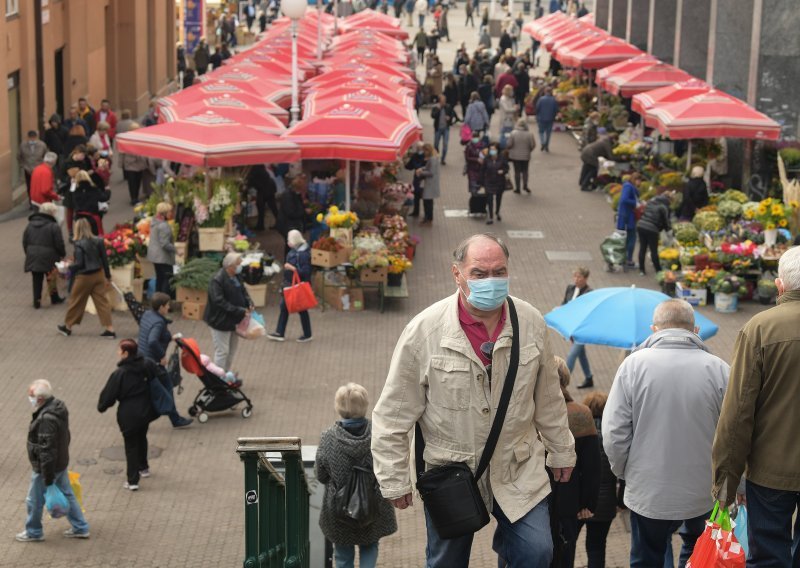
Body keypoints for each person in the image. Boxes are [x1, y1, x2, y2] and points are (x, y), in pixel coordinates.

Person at [371, 233, 576, 568]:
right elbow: (393, 414)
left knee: (537, 551)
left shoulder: (531, 322)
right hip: (452, 472)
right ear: (457, 274)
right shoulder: (424, 331)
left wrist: (562, 451)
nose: (491, 281)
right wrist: (394, 478)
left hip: (518, 467)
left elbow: (549, 399)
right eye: (480, 273)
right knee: (446, 562)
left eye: (499, 272)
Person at [602, 299, 729, 567]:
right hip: (703, 490)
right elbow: (732, 435)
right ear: (695, 330)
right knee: (701, 554)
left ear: (654, 329)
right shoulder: (719, 369)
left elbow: (614, 433)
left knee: (647, 557)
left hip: (649, 490)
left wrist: (625, 472)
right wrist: (732, 485)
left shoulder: (633, 367)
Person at [711, 246, 800, 566]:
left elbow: (737, 415)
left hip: (770, 472)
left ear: (780, 286)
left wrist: (725, 482)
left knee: (768, 556)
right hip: (770, 473)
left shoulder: (760, 329)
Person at [316, 383, 398, 568]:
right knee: (370, 545)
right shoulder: (378, 433)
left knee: (343, 554)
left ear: (339, 407)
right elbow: (388, 466)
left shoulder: (328, 438)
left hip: (340, 508)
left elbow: (320, 476)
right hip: (372, 504)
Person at [16, 379, 90, 542]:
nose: (30, 399)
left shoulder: (45, 420)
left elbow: (46, 451)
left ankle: (33, 532)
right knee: (67, 493)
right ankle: (80, 527)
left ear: (40, 399)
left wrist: (47, 478)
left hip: (46, 468)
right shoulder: (58, 407)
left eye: (31, 395)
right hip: (60, 462)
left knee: (34, 500)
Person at [553, 357, 601, 568]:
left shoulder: (522, 410)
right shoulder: (581, 413)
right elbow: (591, 466)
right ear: (565, 379)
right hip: (566, 501)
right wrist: (587, 503)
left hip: (526, 501)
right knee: (564, 555)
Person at [98, 339, 161, 491]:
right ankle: (143, 467)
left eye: (119, 350)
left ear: (126, 353)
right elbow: (159, 375)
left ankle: (132, 480)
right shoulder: (146, 364)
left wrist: (102, 406)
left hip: (129, 413)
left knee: (131, 445)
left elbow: (109, 395)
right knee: (142, 436)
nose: (117, 353)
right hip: (146, 409)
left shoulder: (120, 373)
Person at [138, 293, 194, 429]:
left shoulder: (148, 315)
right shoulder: (159, 322)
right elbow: (152, 341)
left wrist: (169, 337)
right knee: (167, 386)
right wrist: (162, 356)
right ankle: (174, 419)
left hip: (142, 357)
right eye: (167, 305)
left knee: (152, 389)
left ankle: (168, 418)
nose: (169, 307)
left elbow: (149, 334)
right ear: (161, 307)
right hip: (153, 362)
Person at [578, 392, 617, 568]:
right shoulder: (613, 437)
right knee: (597, 547)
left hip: (579, 501)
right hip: (605, 503)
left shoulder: (578, 435)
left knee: (567, 544)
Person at [58, 219, 115, 338]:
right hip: (98, 274)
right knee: (102, 302)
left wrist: (68, 267)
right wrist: (108, 276)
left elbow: (80, 264)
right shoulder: (98, 241)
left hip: (84, 277)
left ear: (77, 229)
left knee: (76, 300)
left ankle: (68, 326)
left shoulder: (78, 244)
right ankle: (110, 329)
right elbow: (104, 259)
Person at [204, 252, 253, 370]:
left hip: (234, 320)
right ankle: (218, 378)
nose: (240, 266)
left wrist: (249, 302)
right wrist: (239, 311)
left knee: (231, 351)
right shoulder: (217, 280)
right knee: (222, 351)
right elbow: (219, 302)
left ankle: (225, 374)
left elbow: (243, 290)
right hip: (220, 321)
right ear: (231, 266)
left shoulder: (237, 276)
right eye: (238, 264)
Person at [268, 230, 313, 342]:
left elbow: (306, 271)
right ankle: (281, 332)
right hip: (291, 285)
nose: (287, 242)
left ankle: (283, 332)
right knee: (288, 308)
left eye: (289, 240)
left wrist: (292, 268)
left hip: (295, 286)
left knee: (298, 309)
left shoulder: (302, 254)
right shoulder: (299, 250)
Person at [23, 202, 66, 309]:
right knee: (51, 277)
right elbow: (59, 243)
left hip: (33, 255)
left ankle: (36, 301)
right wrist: (62, 254)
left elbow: (25, 241)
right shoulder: (54, 226)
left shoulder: (30, 225)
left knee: (36, 279)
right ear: (51, 212)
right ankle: (54, 298)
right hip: (49, 257)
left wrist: (29, 253)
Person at [563, 266, 594, 389]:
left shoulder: (589, 293)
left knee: (572, 355)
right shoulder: (570, 288)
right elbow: (564, 304)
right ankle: (589, 378)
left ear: (586, 278)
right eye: (575, 276)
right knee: (581, 354)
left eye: (579, 277)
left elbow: (586, 312)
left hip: (583, 330)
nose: (576, 279)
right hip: (572, 328)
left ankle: (562, 384)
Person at [637, 190, 673, 276]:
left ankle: (642, 270)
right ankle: (658, 270)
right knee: (653, 250)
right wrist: (669, 230)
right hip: (652, 228)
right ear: (669, 199)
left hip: (641, 225)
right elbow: (666, 221)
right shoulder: (664, 207)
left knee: (643, 248)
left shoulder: (651, 201)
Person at [147, 202, 176, 296]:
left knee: (159, 278)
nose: (171, 214)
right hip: (163, 257)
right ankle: (163, 303)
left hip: (154, 257)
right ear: (164, 214)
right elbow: (165, 244)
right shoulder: (164, 226)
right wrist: (176, 250)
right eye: (169, 212)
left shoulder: (154, 222)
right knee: (167, 279)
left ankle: (157, 301)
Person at [72, 170, 110, 237]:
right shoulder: (93, 189)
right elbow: (104, 198)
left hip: (79, 218)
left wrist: (72, 184)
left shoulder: (75, 191)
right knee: (97, 237)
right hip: (92, 217)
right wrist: (107, 191)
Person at [616, 172, 640, 270]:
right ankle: (628, 260)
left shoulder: (628, 186)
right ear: (636, 180)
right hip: (627, 218)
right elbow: (623, 200)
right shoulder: (629, 187)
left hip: (626, 217)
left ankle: (624, 259)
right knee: (631, 238)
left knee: (627, 239)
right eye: (639, 181)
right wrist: (636, 203)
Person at [18, 130, 49, 206]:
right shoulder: (23, 145)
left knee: (39, 186)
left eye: (33, 138)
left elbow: (46, 155)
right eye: (30, 138)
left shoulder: (42, 145)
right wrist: (23, 165)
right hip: (28, 169)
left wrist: (44, 166)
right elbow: (19, 156)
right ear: (28, 137)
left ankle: (39, 201)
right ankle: (31, 202)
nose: (32, 139)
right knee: (30, 186)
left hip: (39, 169)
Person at [481, 142, 508, 225]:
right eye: (491, 149)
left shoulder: (502, 158)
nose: (492, 151)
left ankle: (497, 212)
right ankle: (491, 216)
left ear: (497, 150)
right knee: (489, 199)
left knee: (498, 199)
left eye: (494, 149)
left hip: (499, 181)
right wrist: (482, 182)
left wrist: (502, 171)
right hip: (489, 182)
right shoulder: (487, 159)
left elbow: (507, 168)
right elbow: (482, 170)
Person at [120, 124, 148, 205]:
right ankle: (133, 198)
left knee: (138, 180)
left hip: (139, 163)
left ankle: (136, 197)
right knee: (132, 182)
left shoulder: (141, 138)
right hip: (130, 163)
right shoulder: (126, 138)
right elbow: (121, 152)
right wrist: (121, 164)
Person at [506, 118, 535, 194]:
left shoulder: (513, 133)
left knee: (517, 171)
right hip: (526, 156)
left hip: (515, 156)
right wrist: (529, 150)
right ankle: (525, 185)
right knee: (525, 171)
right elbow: (532, 145)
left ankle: (517, 188)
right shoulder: (529, 134)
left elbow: (509, 144)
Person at [247, 164, 279, 231]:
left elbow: (251, 181)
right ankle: (261, 225)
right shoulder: (259, 166)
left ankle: (260, 226)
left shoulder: (254, 168)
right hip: (268, 188)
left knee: (262, 208)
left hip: (265, 189)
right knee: (271, 208)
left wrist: (246, 187)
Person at [416, 143, 440, 226]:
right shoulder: (433, 158)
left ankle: (428, 218)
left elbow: (431, 172)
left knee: (427, 202)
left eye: (424, 151)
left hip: (429, 184)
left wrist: (421, 172)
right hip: (430, 184)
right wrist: (422, 168)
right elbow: (428, 168)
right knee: (428, 201)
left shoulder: (432, 159)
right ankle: (428, 218)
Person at [431, 95, 456, 166]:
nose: (443, 102)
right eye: (442, 101)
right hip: (438, 128)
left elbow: (452, 115)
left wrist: (449, 119)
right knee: (436, 144)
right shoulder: (436, 107)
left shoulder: (448, 107)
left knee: (445, 144)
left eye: (444, 101)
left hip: (446, 129)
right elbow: (433, 116)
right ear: (439, 101)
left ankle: (443, 159)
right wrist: (438, 109)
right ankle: (436, 157)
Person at [405, 143, 427, 218]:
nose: (418, 149)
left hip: (423, 179)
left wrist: (415, 165)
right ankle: (416, 211)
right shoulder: (415, 156)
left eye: (419, 148)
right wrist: (406, 161)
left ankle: (426, 214)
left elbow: (421, 166)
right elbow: (409, 166)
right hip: (417, 179)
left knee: (424, 196)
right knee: (416, 195)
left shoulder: (425, 157)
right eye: (417, 148)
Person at [535, 87, 558, 152]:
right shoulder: (553, 100)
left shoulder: (541, 99)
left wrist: (537, 115)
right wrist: (554, 116)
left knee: (541, 131)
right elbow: (556, 110)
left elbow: (537, 108)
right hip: (550, 118)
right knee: (548, 133)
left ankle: (542, 142)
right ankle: (546, 145)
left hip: (541, 118)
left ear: (545, 92)